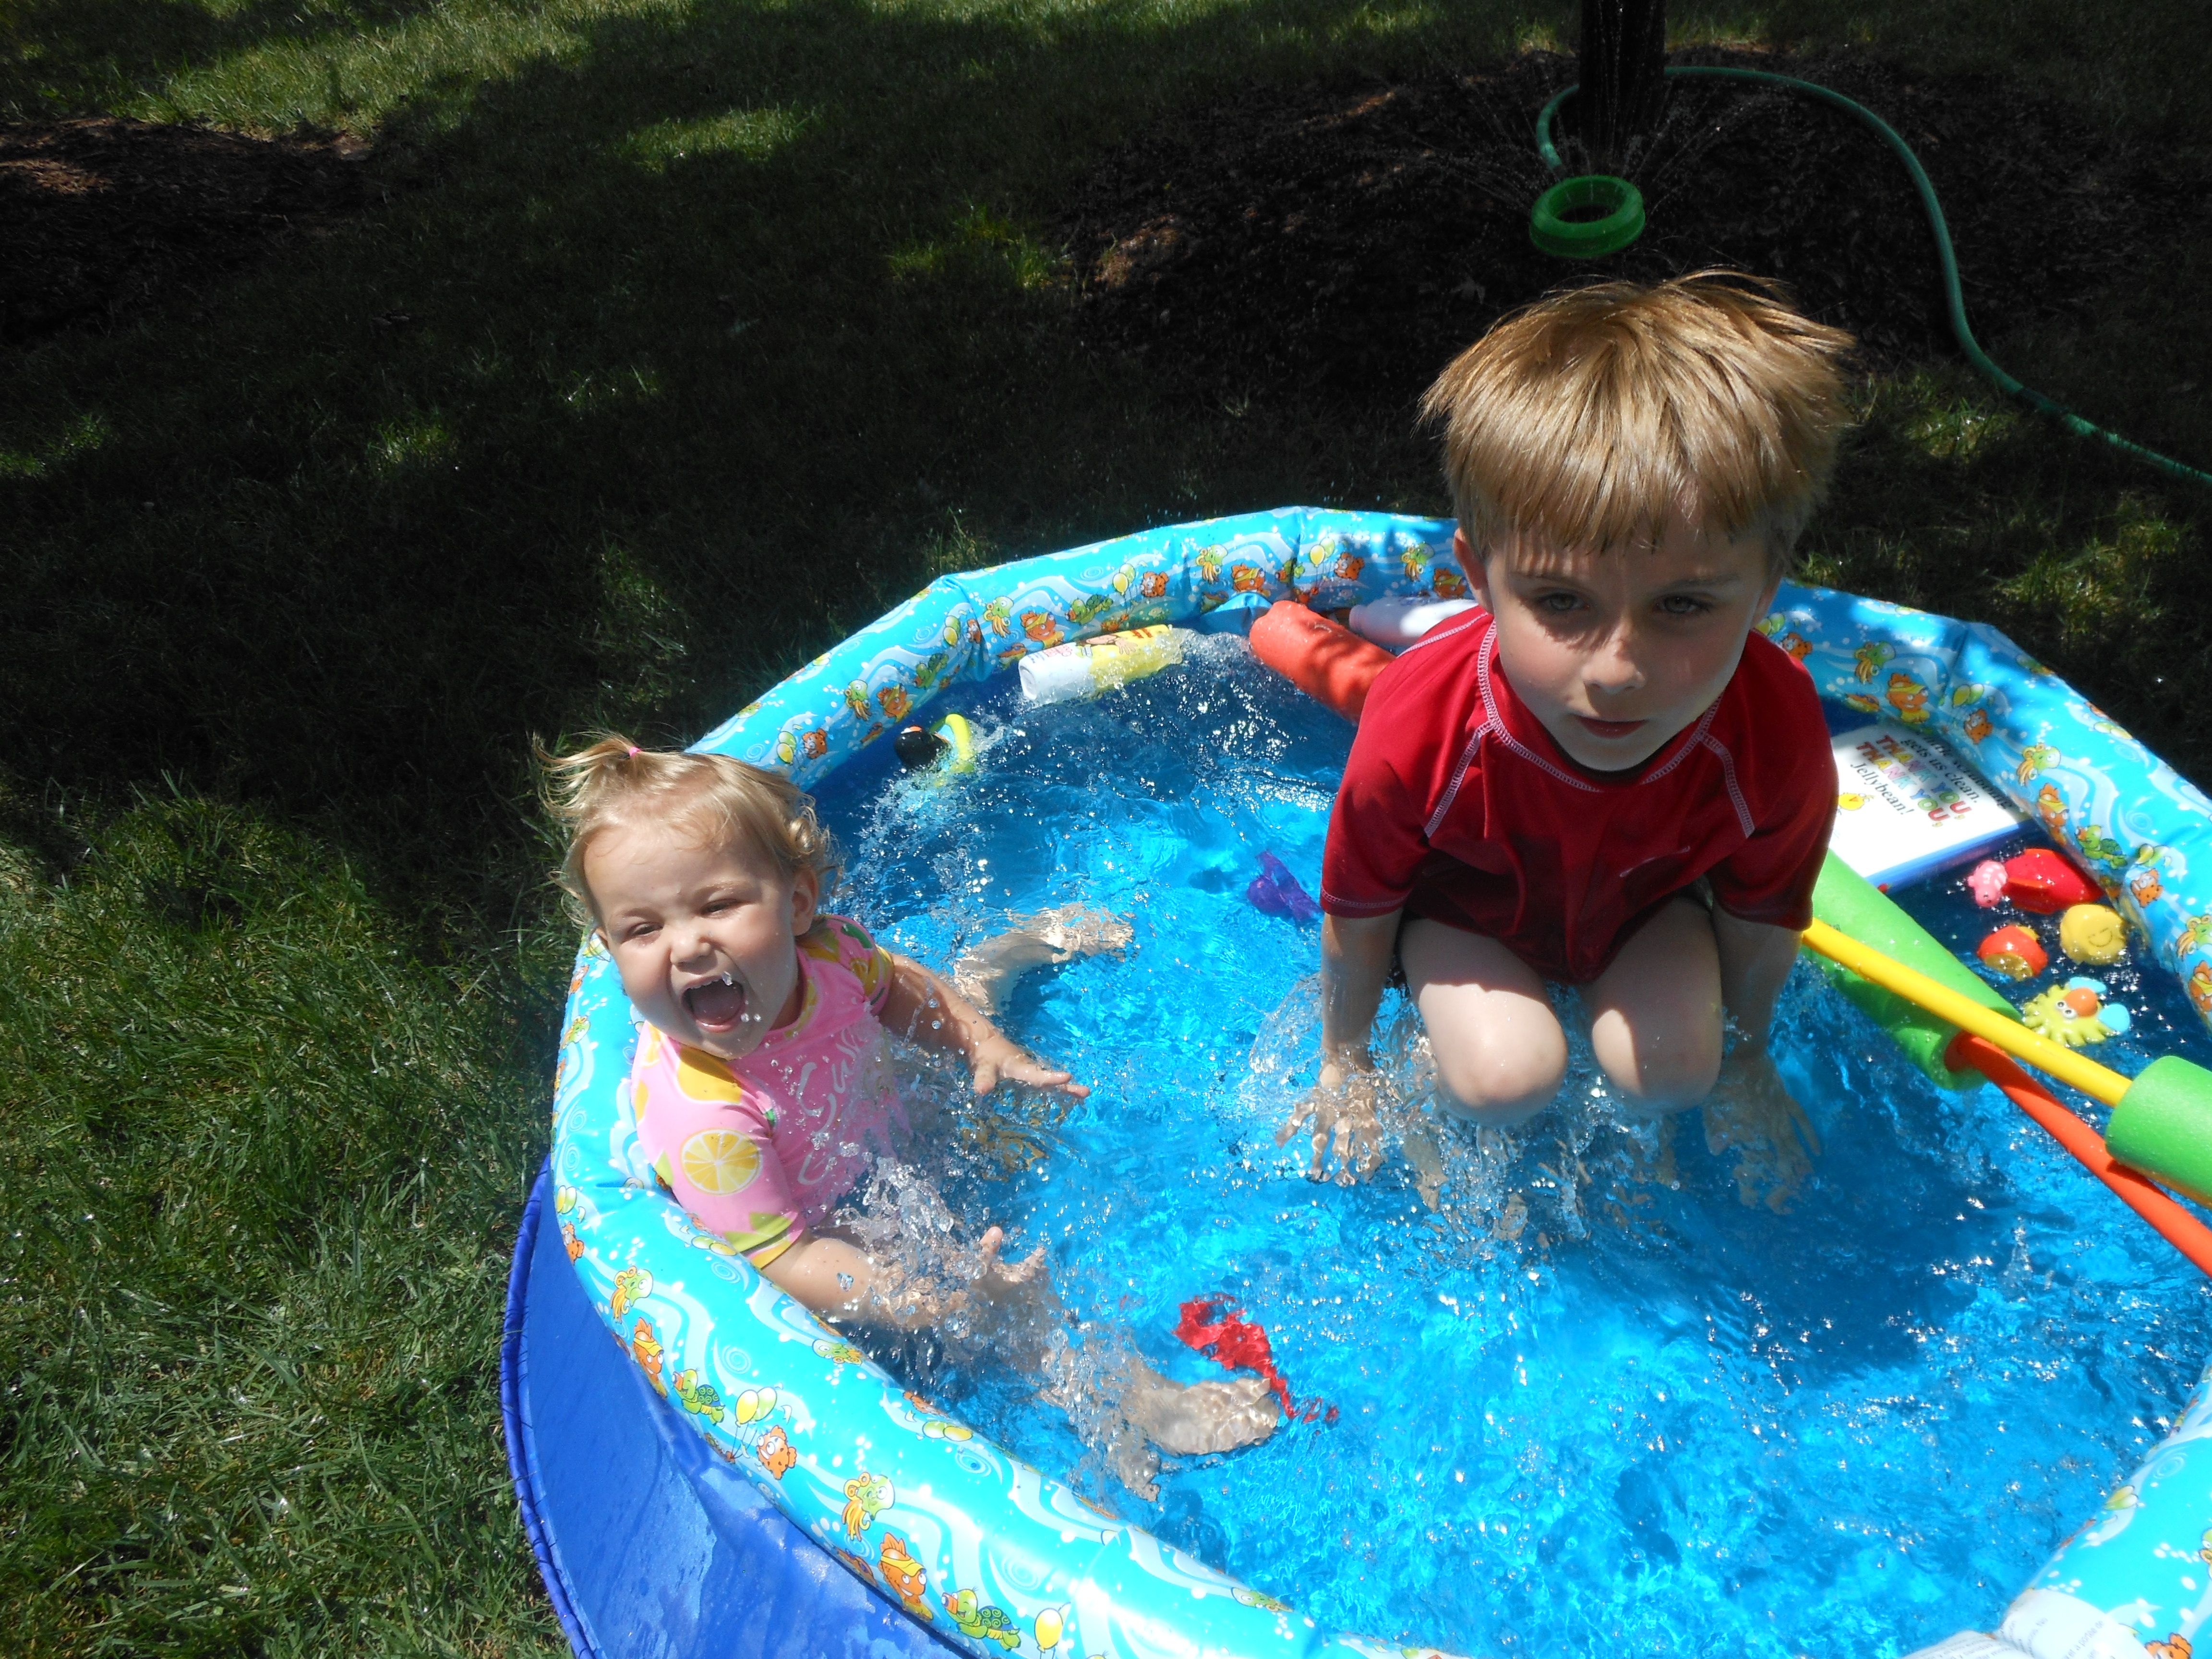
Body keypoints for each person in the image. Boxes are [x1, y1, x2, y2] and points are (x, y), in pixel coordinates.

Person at [543, 737, 1277, 1489]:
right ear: (609, 947)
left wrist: (981, 1044)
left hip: (889, 1112)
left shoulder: (827, 954)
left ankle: (1011, 951)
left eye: (718, 905)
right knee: (998, 1315)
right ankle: (1138, 1400)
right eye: (643, 929)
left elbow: (896, 988)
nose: (687, 945)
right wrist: (932, 1298)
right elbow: (785, 1263)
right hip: (838, 1228)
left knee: (982, 1059)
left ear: (797, 903)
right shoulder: (704, 1118)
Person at [1283, 274, 1851, 1200]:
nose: (1618, 669)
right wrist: (1346, 1064)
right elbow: (1358, 912)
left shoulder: (1774, 729)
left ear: (1768, 587)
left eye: (1683, 605)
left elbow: (1761, 919)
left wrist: (1749, 1059)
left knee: (1673, 1074)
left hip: (1645, 913)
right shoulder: (1421, 726)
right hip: (1462, 916)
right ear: (1478, 576)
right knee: (1505, 1080)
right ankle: (1449, 1056)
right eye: (1560, 603)